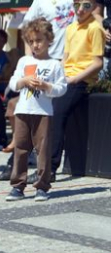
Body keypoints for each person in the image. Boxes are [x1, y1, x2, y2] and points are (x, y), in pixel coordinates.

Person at [5, 18, 67, 202]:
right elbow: (13, 84)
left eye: (39, 40)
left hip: (43, 113)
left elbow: (61, 88)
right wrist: (24, 81)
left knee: (43, 150)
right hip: (23, 111)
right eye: (31, 41)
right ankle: (17, 186)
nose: (35, 45)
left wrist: (47, 86)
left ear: (49, 40)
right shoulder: (24, 61)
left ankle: (42, 186)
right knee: (21, 148)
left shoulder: (54, 64)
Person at [50, 0, 104, 175]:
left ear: (94, 7)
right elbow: (65, 58)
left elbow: (98, 63)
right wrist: (57, 76)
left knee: (57, 115)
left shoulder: (95, 28)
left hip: (81, 81)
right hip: (65, 78)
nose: (80, 10)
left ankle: (49, 168)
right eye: (76, 5)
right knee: (36, 108)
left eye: (86, 6)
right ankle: (19, 161)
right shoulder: (71, 28)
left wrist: (73, 80)